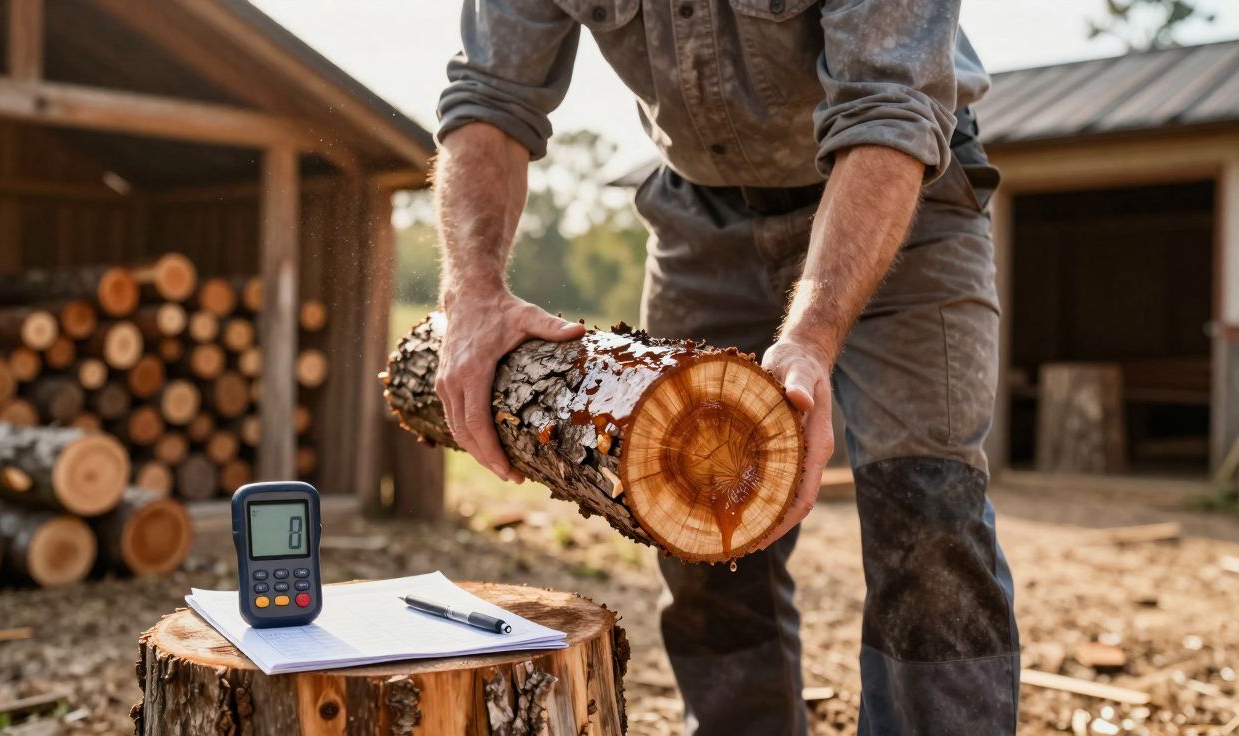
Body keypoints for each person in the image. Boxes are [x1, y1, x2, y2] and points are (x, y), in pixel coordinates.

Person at [430, 1, 1020, 733]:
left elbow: (890, 109)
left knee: (927, 509)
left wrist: (811, 336)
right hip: (699, 210)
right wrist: (474, 291)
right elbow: (490, 94)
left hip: (903, 188)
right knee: (694, 507)